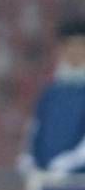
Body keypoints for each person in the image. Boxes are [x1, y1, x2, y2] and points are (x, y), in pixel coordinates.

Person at [18, 18, 85, 175]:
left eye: (80, 45)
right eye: (69, 45)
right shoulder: (51, 92)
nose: (74, 51)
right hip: (47, 180)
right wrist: (29, 157)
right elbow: (35, 128)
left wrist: (71, 163)